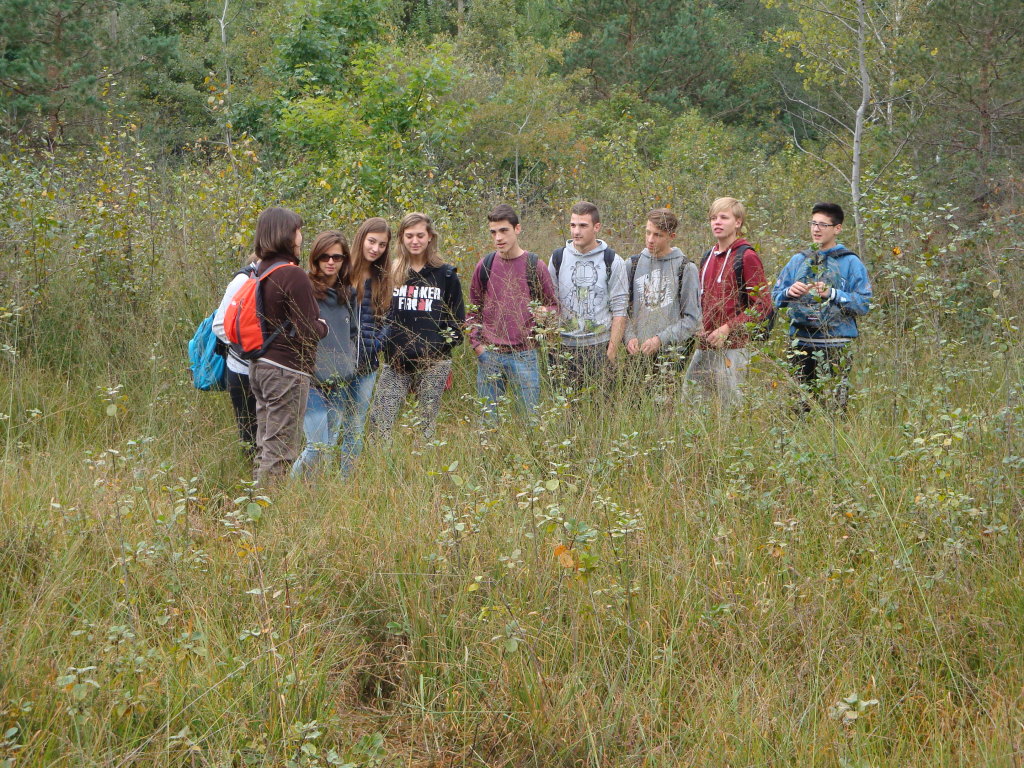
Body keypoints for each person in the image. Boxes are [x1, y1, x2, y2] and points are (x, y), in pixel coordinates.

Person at [247, 207, 327, 483]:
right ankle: (269, 505)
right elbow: (308, 330)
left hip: (261, 366)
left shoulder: (261, 270)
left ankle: (256, 501)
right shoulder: (293, 275)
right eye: (298, 230)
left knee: (266, 445)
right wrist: (324, 326)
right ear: (286, 233)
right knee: (281, 451)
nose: (301, 236)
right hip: (286, 370)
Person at [371, 212, 465, 441]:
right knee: (380, 422)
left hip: (433, 363)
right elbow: (379, 316)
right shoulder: (391, 273)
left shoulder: (446, 274)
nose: (415, 241)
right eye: (409, 236)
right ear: (401, 238)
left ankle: (424, 460)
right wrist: (387, 347)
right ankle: (383, 460)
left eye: (420, 235)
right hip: (396, 363)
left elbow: (457, 321)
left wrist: (438, 348)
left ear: (430, 236)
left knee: (426, 426)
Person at [771, 202, 872, 413]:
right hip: (799, 344)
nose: (816, 229)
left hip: (836, 345)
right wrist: (789, 292)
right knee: (798, 409)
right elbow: (774, 298)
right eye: (813, 223)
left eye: (823, 225)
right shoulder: (798, 260)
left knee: (835, 410)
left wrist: (832, 293)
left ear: (837, 228)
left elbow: (863, 304)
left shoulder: (850, 262)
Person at [467, 204, 558, 420]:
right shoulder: (485, 265)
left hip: (524, 355)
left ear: (517, 229)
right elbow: (472, 310)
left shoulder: (535, 265)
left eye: (504, 230)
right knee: (488, 422)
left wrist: (546, 312)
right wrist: (477, 346)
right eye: (493, 232)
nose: (498, 237)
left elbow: (553, 306)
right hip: (490, 354)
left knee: (530, 421)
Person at [686, 197, 771, 408]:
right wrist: (699, 326)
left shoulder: (746, 256)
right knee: (691, 400)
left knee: (731, 406)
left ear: (738, 222)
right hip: (705, 345)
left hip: (734, 346)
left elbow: (762, 305)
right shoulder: (708, 256)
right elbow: (701, 299)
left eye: (724, 217)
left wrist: (727, 328)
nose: (717, 222)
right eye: (713, 218)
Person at [291, 231, 360, 477]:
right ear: (315, 258)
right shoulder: (304, 289)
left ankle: (315, 491)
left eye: (337, 257)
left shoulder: (349, 293)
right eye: (324, 256)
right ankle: (288, 490)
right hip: (310, 382)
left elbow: (353, 333)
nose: (331, 262)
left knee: (329, 446)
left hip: (339, 381)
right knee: (316, 446)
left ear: (344, 260)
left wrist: (349, 364)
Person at [547, 201, 628, 389]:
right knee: (564, 404)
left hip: (599, 346)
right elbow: (551, 302)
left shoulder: (613, 261)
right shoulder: (558, 258)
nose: (576, 231)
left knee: (601, 404)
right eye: (573, 225)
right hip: (564, 347)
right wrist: (552, 345)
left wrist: (611, 353)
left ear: (596, 227)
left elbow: (620, 309)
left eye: (583, 225)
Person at [624, 208, 701, 374]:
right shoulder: (632, 264)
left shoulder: (686, 268)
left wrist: (660, 339)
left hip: (671, 357)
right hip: (635, 357)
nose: (650, 240)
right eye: (648, 232)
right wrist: (629, 337)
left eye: (657, 235)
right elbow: (621, 310)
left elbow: (692, 319)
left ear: (671, 236)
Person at [212, 253, 259, 457]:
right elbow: (219, 325)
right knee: (250, 436)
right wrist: (253, 346)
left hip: (269, 371)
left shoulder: (280, 275)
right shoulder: (243, 279)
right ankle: (251, 475)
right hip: (242, 371)